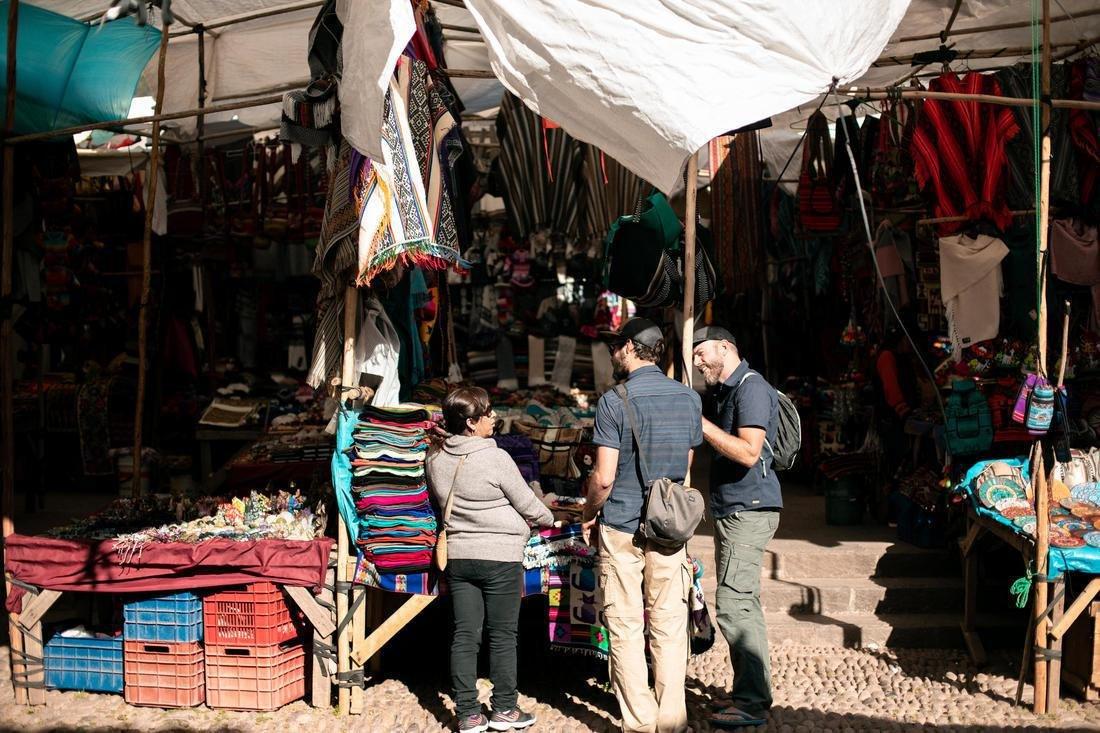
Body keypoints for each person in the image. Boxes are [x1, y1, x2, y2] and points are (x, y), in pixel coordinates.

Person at [582, 317, 703, 733]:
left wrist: (587, 513)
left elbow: (603, 478)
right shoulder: (689, 399)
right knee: (670, 622)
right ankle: (671, 721)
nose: (613, 353)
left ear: (632, 348)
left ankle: (639, 723)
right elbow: (685, 469)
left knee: (626, 624)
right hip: (669, 526)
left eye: (617, 346)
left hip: (622, 526)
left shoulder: (614, 400)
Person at [426, 386, 556, 733]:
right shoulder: (494, 457)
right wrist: (551, 519)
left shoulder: (435, 457)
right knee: (502, 635)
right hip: (499, 557)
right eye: (488, 413)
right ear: (471, 423)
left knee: (464, 635)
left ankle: (468, 713)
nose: (494, 417)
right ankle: (505, 710)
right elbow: (528, 504)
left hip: (459, 555)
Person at [691, 327, 781, 729]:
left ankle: (751, 702)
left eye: (701, 353)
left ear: (726, 347)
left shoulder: (751, 388)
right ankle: (755, 693)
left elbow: (748, 452)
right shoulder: (726, 390)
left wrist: (702, 423)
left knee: (733, 603)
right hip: (735, 510)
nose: (697, 362)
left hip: (751, 509)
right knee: (744, 601)